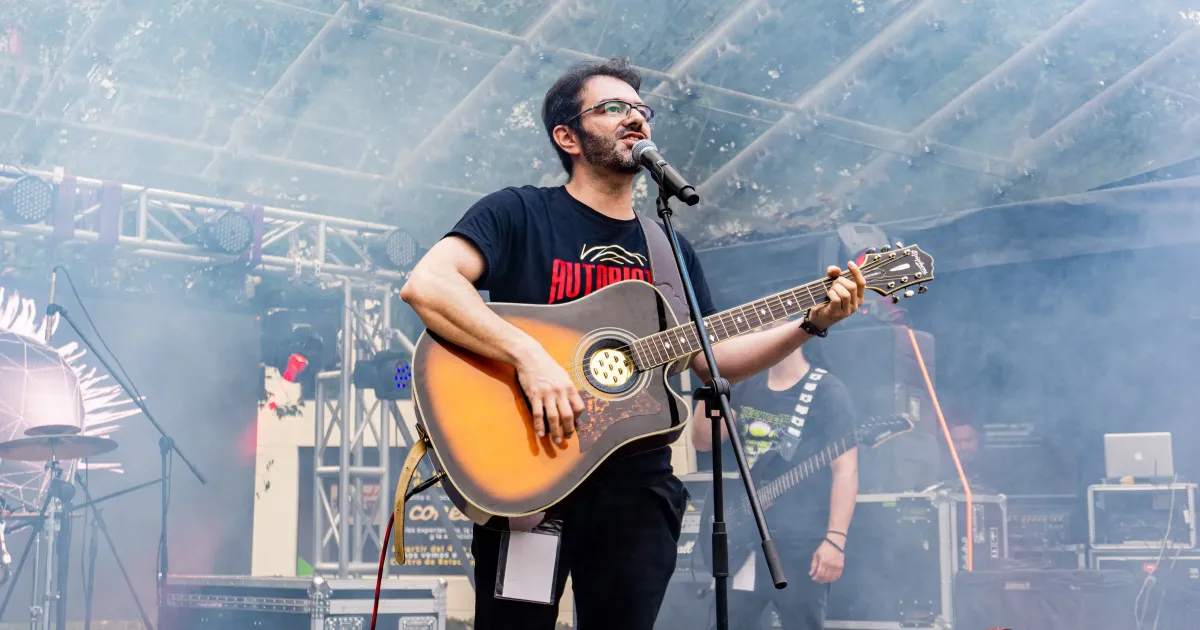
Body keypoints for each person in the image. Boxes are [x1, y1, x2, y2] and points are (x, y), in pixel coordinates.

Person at [399, 56, 866, 630]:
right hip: (531, 478)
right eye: (612, 108)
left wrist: (809, 324)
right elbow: (428, 284)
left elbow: (710, 361)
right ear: (566, 136)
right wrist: (530, 356)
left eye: (641, 110)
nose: (634, 119)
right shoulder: (518, 212)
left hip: (637, 492)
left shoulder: (669, 249)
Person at [692, 328, 858, 630]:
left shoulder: (827, 390)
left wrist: (836, 539)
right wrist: (713, 380)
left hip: (800, 543)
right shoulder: (744, 386)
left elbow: (845, 470)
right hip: (744, 536)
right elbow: (704, 441)